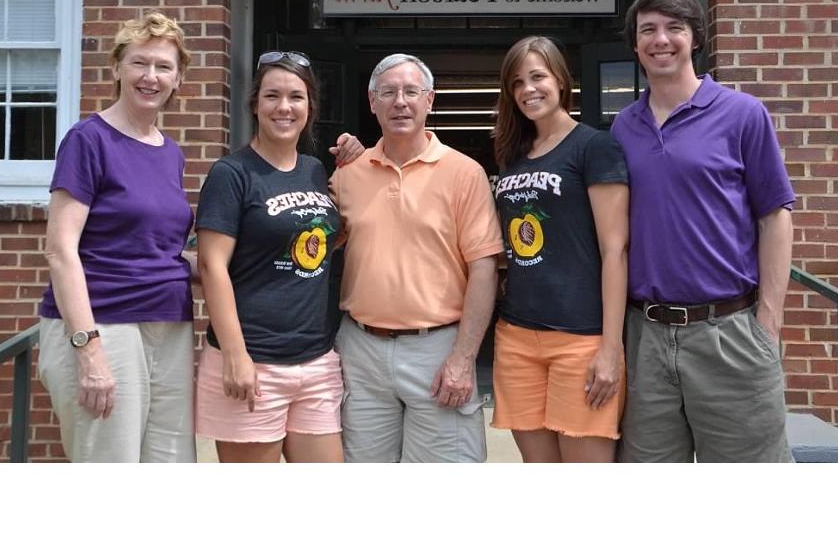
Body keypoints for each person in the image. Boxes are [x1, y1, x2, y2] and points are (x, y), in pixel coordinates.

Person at [611, 0, 795, 462]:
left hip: (730, 332)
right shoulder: (622, 127)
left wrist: (768, 323)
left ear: (695, 39)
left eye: (675, 27)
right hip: (646, 336)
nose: (661, 39)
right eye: (648, 29)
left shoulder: (742, 114)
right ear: (634, 44)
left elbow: (775, 217)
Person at [329, 54, 503, 463]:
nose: (400, 102)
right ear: (372, 102)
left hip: (438, 349)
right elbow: (313, 247)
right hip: (361, 350)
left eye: (411, 92)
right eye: (388, 92)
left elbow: (483, 268)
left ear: (430, 100)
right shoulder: (348, 174)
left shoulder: (465, 173)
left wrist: (463, 359)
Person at [38, 12, 196, 462]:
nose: (151, 77)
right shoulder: (88, 140)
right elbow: (60, 250)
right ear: (116, 68)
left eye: (164, 67)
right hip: (104, 325)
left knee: (171, 465)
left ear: (178, 77)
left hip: (169, 325)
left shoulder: (170, 153)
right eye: (139, 63)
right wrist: (88, 351)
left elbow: (163, 252)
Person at [194, 51, 360, 463]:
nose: (283, 107)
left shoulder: (316, 171)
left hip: (316, 361)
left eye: (295, 97)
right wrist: (235, 354)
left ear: (310, 107)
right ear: (255, 104)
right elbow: (212, 266)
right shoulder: (231, 174)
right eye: (272, 96)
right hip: (253, 361)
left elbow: (323, 240)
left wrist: (358, 157)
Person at [489, 36, 629, 462]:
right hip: (516, 337)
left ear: (561, 81)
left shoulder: (594, 147)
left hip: (580, 339)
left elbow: (615, 251)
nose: (528, 89)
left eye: (537, 76)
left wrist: (610, 347)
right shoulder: (513, 155)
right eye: (517, 83)